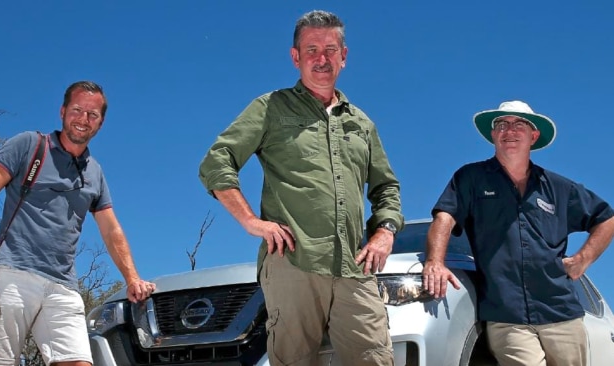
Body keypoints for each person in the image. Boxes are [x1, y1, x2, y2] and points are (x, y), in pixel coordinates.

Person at [198, 10, 402, 366]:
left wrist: (384, 232)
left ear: (344, 56)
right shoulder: (270, 108)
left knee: (375, 359)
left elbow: (386, 187)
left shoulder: (362, 124)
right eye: (311, 50)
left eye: (330, 49)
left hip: (354, 267)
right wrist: (251, 222)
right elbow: (217, 161)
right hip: (293, 262)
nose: (321, 59)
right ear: (296, 57)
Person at [0, 81, 156, 366]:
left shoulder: (95, 173)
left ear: (101, 123)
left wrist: (132, 278)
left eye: (93, 114)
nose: (83, 119)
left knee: (79, 362)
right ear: (63, 111)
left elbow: (110, 228)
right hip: (14, 275)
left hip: (64, 286)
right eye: (77, 110)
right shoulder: (29, 145)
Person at [423, 100, 614, 366]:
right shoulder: (470, 178)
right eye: (501, 125)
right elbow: (445, 216)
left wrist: (583, 259)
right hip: (506, 315)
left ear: (533, 136)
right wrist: (434, 261)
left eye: (518, 125)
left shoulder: (559, 188)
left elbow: (607, 218)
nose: (508, 130)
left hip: (561, 312)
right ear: (493, 135)